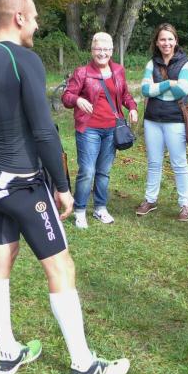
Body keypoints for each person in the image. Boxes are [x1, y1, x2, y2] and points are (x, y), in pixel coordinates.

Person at [0, 0, 130, 374]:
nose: (36, 24)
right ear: (18, 17)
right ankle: (84, 365)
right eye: (33, 16)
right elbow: (44, 130)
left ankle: (8, 352)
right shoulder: (24, 60)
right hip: (22, 184)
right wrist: (63, 186)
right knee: (60, 266)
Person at [62, 32, 138, 229]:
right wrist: (77, 99)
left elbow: (125, 95)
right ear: (92, 50)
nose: (102, 53)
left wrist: (133, 108)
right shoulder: (82, 72)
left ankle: (100, 208)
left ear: (112, 50)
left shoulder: (118, 70)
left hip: (112, 129)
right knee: (87, 171)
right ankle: (79, 210)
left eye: (106, 49)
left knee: (104, 171)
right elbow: (66, 96)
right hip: (89, 129)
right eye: (98, 49)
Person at [136, 23, 188, 221]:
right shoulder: (151, 63)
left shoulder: (185, 63)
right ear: (157, 42)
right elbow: (145, 90)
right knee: (154, 162)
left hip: (175, 119)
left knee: (179, 163)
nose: (166, 43)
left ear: (175, 41)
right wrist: (169, 83)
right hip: (152, 119)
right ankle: (150, 200)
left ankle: (185, 204)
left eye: (170, 39)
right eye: (162, 39)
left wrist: (157, 89)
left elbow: (182, 90)